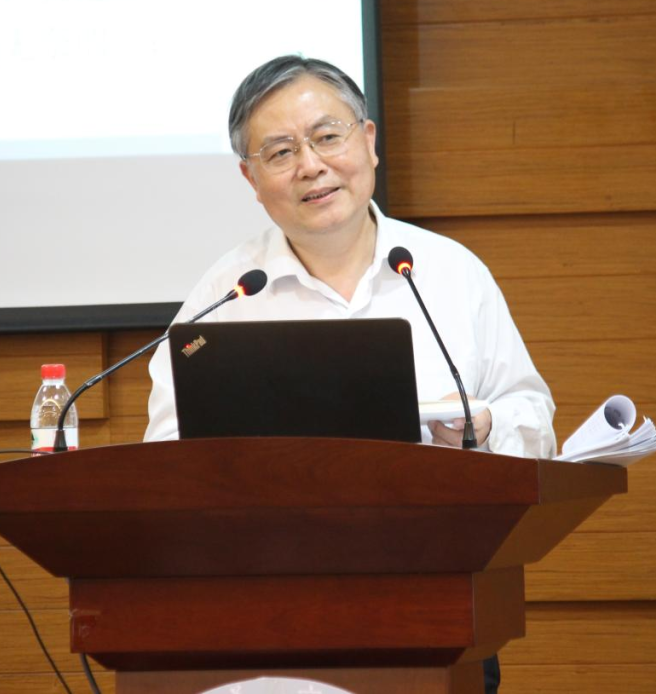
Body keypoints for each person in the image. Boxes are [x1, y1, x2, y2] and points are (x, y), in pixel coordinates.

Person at [144, 55, 556, 693]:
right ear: (252, 178)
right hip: (267, 617)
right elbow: (165, 456)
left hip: (438, 601)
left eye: (327, 136)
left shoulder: (449, 273)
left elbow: (534, 421)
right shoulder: (226, 295)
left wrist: (485, 428)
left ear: (367, 141)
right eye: (281, 152)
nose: (310, 166)